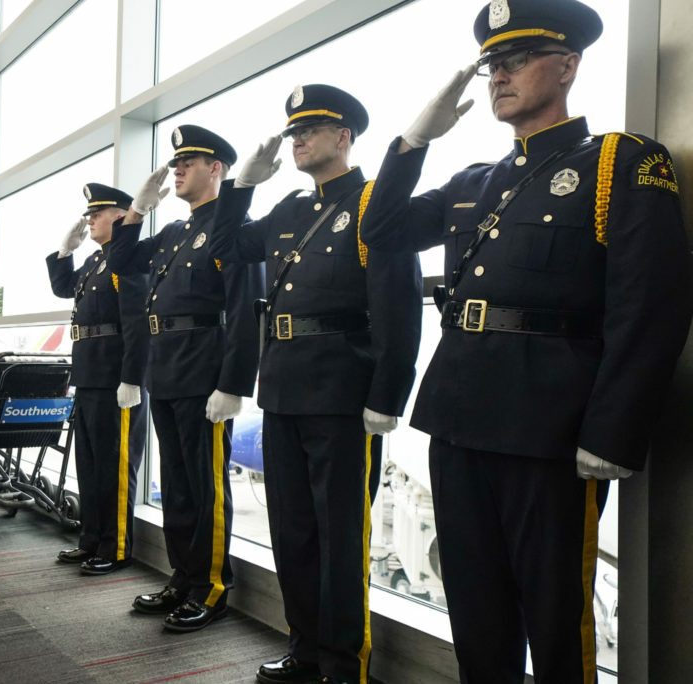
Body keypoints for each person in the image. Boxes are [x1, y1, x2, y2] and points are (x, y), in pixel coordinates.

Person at [359, 1, 693, 681]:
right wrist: (413, 141)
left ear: (567, 65)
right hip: (458, 418)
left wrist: (612, 432)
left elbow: (651, 306)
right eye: (491, 66)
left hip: (550, 429)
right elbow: (381, 230)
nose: (498, 77)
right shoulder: (475, 181)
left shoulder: (619, 163)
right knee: (476, 606)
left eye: (516, 61)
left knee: (554, 611)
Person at [210, 85, 422, 684]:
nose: (297, 139)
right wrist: (242, 186)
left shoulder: (374, 203)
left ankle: (342, 664)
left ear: (344, 137)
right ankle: (304, 649)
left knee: (340, 540)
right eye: (293, 130)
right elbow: (224, 247)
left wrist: (386, 397)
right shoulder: (289, 211)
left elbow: (399, 307)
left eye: (312, 128)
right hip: (281, 391)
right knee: (293, 532)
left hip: (341, 398)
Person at [107, 125, 263, 632]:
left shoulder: (231, 226)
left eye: (187, 163)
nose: (175, 170)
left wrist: (234, 385)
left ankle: (213, 587)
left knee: (206, 486)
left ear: (215, 168)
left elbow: (244, 311)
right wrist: (137, 210)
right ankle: (183, 576)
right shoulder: (175, 233)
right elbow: (122, 260)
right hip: (167, 368)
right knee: (175, 484)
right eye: (175, 163)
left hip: (205, 370)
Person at [45, 183, 149, 575]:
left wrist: (132, 379)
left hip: (116, 378)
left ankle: (116, 546)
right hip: (89, 373)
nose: (89, 219)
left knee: (116, 466)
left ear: (121, 217)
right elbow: (62, 288)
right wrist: (64, 253)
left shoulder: (127, 261)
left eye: (97, 213)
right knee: (88, 464)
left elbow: (138, 324)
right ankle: (90, 539)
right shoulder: (94, 263)